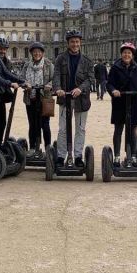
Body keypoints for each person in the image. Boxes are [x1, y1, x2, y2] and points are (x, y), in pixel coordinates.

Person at [53, 28, 95, 168]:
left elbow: (90, 79)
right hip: (64, 98)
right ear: (68, 43)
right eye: (72, 42)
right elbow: (56, 75)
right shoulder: (60, 58)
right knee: (63, 129)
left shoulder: (87, 61)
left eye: (77, 42)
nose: (75, 44)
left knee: (80, 129)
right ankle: (60, 156)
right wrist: (58, 88)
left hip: (81, 100)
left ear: (80, 43)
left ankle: (78, 156)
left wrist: (80, 88)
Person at [107, 43, 137, 164]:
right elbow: (109, 84)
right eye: (124, 52)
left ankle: (133, 155)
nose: (127, 55)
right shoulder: (115, 68)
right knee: (118, 129)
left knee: (133, 129)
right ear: (121, 54)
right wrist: (113, 90)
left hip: (134, 102)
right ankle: (117, 156)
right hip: (119, 102)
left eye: (129, 53)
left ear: (132, 55)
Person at [20, 41, 54, 157]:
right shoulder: (26, 65)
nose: (37, 54)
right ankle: (33, 147)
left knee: (45, 124)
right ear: (31, 53)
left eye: (39, 51)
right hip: (31, 98)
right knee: (32, 124)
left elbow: (55, 79)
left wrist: (50, 85)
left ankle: (48, 148)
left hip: (45, 98)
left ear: (42, 53)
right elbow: (21, 78)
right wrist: (25, 84)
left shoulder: (49, 64)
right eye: (34, 52)